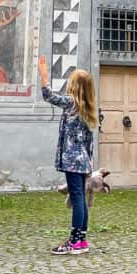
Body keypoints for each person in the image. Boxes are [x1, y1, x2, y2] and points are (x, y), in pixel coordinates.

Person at [38, 55, 98, 256]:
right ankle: (81, 240)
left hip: (72, 161)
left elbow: (49, 96)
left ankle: (73, 242)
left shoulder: (72, 103)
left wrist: (44, 76)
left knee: (78, 197)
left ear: (76, 86)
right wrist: (90, 164)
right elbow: (90, 143)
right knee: (80, 197)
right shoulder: (88, 109)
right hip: (82, 161)